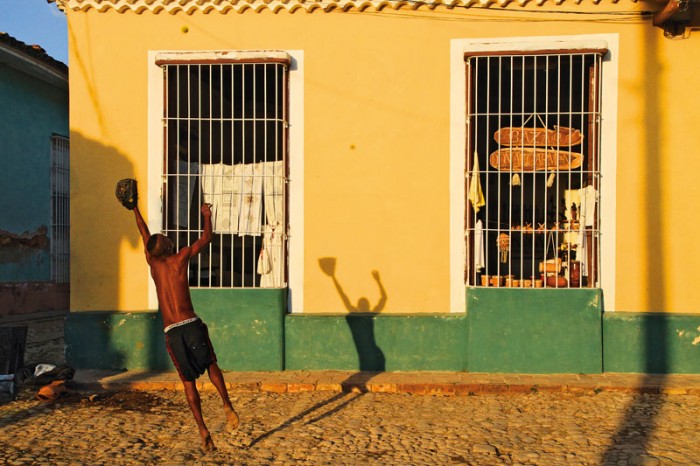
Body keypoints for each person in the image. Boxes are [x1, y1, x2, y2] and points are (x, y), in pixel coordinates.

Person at [130, 201, 239, 451]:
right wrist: (207, 215)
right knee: (211, 364)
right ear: (167, 246)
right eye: (167, 239)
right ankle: (226, 403)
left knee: (187, 383)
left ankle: (202, 429)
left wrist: (134, 208)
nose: (170, 239)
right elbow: (207, 237)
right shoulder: (180, 258)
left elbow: (144, 234)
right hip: (190, 324)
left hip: (171, 332)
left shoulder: (153, 264)